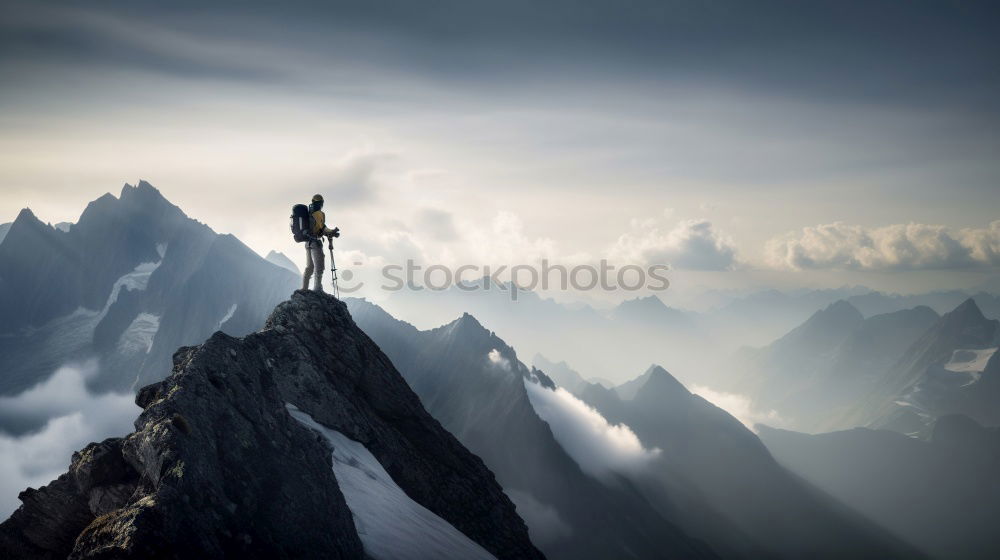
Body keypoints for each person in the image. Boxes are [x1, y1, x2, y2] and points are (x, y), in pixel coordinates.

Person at [302, 194, 340, 291]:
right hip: (315, 242)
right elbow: (322, 228)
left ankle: (304, 289)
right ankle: (317, 288)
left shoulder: (310, 214)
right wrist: (331, 232)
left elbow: (322, 228)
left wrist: (332, 232)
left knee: (310, 267)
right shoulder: (319, 214)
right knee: (319, 266)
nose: (320, 204)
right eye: (320, 203)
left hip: (308, 243)